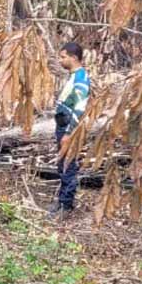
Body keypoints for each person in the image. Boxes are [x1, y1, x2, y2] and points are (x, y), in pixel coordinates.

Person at [52, 42, 90, 220]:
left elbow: (80, 108)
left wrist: (69, 133)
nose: (60, 60)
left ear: (74, 58)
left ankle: (66, 205)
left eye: (63, 57)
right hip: (62, 124)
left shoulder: (81, 78)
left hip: (68, 127)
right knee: (62, 164)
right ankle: (61, 201)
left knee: (68, 164)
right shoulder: (73, 76)